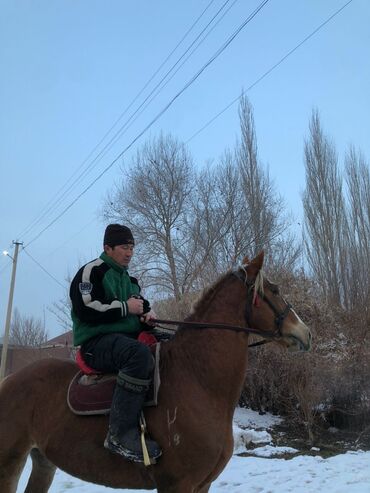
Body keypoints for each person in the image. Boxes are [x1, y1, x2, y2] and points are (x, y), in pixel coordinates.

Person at [69, 223, 162, 463]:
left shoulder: (130, 280)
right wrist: (125, 307)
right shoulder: (92, 272)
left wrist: (146, 318)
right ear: (107, 248)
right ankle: (120, 433)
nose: (129, 252)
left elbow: (139, 308)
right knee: (138, 355)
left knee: (170, 346)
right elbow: (86, 308)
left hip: (124, 340)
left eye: (132, 247)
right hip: (95, 344)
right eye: (124, 247)